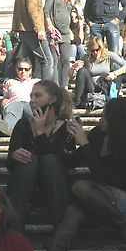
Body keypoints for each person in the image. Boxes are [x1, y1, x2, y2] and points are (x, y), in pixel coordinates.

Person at [42, 98, 126, 251]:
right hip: (95, 202)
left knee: (80, 187)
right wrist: (67, 136)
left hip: (125, 203)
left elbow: (108, 179)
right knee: (74, 211)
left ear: (117, 119)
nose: (101, 119)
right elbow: (70, 162)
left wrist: (84, 144)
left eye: (105, 117)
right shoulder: (97, 135)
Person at [7, 80, 75, 232]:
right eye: (31, 96)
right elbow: (9, 166)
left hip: (55, 184)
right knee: (29, 162)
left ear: (53, 100)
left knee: (50, 160)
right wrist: (14, 155)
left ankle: (60, 231)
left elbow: (67, 162)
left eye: (37, 96)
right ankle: (15, 233)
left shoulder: (65, 128)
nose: (32, 100)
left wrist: (39, 134)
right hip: (24, 181)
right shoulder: (23, 124)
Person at [11, 0, 52, 80]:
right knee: (47, 60)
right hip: (31, 30)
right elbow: (33, 9)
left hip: (24, 30)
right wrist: (40, 29)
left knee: (31, 62)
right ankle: (47, 90)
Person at [72, 36, 126, 109]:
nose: (95, 53)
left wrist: (115, 73)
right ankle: (77, 101)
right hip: (91, 87)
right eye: (92, 51)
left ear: (101, 48)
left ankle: (115, 100)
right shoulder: (86, 57)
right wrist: (73, 67)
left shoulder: (109, 55)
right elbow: (72, 75)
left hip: (104, 85)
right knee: (82, 71)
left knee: (118, 76)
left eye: (97, 50)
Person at [44, 0, 78, 88]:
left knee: (66, 60)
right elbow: (46, 11)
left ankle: (64, 86)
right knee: (55, 60)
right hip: (54, 33)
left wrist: (70, 30)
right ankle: (55, 86)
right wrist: (49, 25)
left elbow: (68, 14)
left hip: (65, 33)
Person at [0, 57, 39, 136]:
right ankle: (9, 129)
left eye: (26, 69)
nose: (23, 72)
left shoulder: (37, 82)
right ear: (16, 69)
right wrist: (3, 102)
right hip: (14, 103)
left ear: (30, 70)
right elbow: (6, 97)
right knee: (12, 110)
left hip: (30, 103)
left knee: (32, 111)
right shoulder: (9, 82)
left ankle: (34, 128)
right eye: (20, 69)